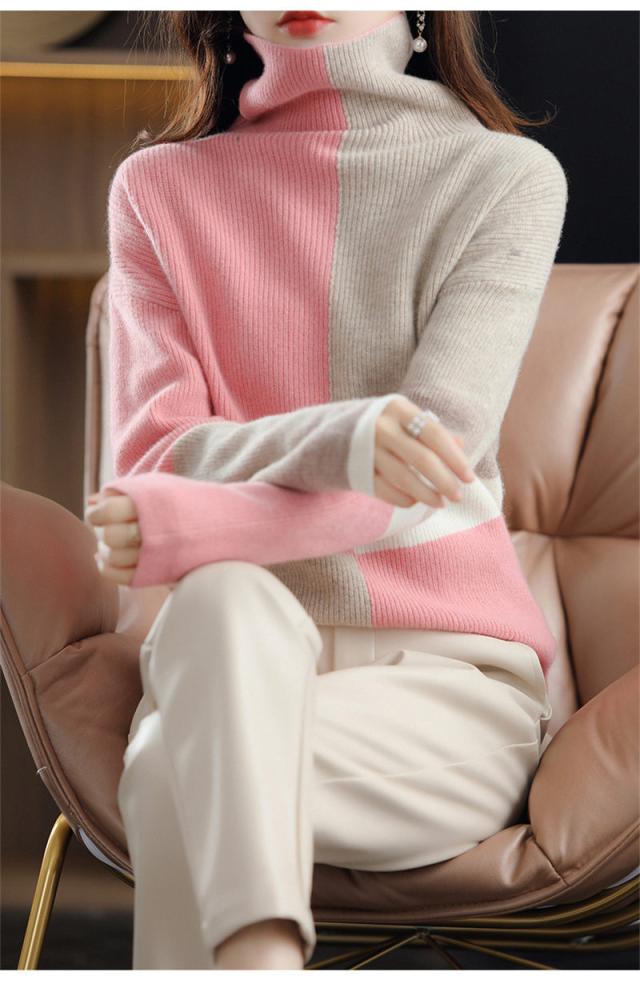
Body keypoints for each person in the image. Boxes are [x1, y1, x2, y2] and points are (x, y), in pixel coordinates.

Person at [84, 9, 566, 970]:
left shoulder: (504, 177)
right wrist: (339, 441)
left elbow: (430, 454)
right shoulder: (157, 189)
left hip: (445, 683)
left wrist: (188, 520)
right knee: (219, 598)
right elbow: (153, 458)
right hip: (221, 660)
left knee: (173, 773)